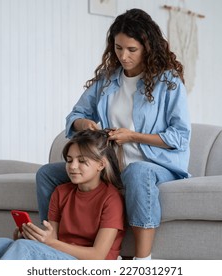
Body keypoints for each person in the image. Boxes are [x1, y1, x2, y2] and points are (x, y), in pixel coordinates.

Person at [36, 8, 191, 260]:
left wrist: (133, 136)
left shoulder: (168, 82)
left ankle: (142, 263)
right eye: (118, 48)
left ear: (147, 47)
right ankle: (47, 242)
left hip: (157, 166)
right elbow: (74, 116)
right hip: (114, 164)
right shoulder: (108, 80)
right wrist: (84, 124)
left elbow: (180, 136)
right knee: (46, 174)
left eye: (132, 50)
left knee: (137, 172)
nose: (123, 56)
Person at [0, 129, 125, 260]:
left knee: (23, 248)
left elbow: (97, 256)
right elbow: (51, 238)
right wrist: (31, 237)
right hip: (58, 254)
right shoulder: (61, 192)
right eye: (69, 160)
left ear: (101, 164)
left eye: (82, 161)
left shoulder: (111, 199)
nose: (72, 167)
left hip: (86, 264)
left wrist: (49, 243)